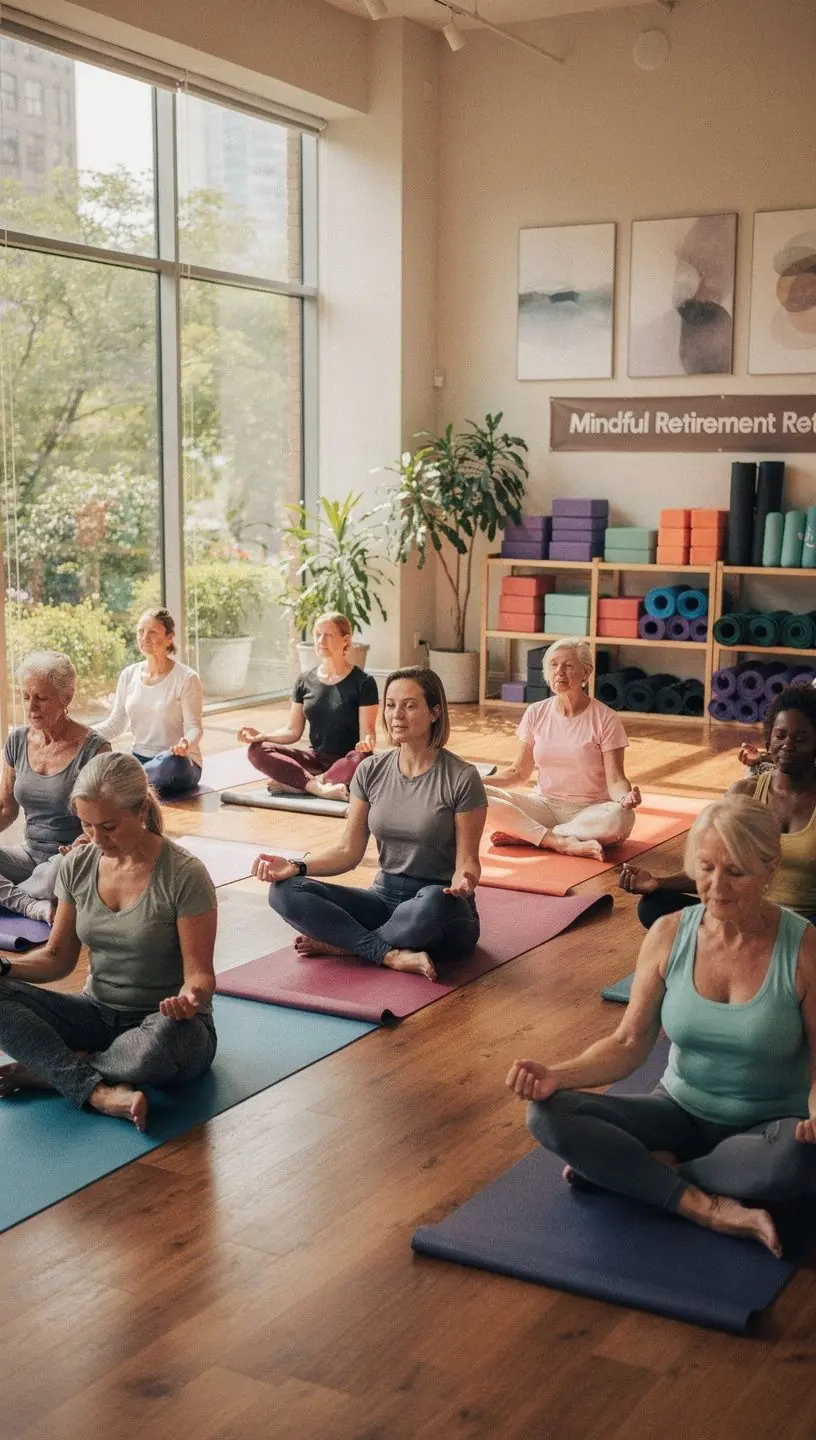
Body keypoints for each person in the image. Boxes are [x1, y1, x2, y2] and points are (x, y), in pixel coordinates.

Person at [508, 797, 816, 1257]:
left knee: (800, 1159)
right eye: (706, 868)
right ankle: (701, 1204)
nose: (716, 887)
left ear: (770, 869)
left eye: (736, 872)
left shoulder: (805, 949)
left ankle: (636, 1174)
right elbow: (628, 1043)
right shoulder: (669, 934)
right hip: (676, 1112)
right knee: (548, 1114)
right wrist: (558, 1075)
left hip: (767, 1130)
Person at [0, 753, 218, 1131]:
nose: (97, 839)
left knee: (169, 1041)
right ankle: (96, 1091)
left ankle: (54, 1071)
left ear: (141, 810)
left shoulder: (185, 874)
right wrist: (5, 967)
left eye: (110, 826)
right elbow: (56, 958)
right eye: (87, 825)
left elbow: (200, 976)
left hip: (165, 1024)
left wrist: (189, 1000)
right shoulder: (77, 865)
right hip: (96, 1015)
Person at [252, 666, 486, 982]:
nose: (396, 715)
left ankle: (348, 946)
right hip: (383, 898)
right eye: (390, 705)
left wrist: (465, 880)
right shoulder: (371, 770)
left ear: (435, 712)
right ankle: (385, 952)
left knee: (433, 904)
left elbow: (468, 860)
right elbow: (348, 851)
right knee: (283, 892)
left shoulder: (462, 777)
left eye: (410, 705)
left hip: (441, 907)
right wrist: (296, 867)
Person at [622, 686, 816, 925]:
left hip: (805, 925)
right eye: (780, 735)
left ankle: (771, 947)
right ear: (769, 737)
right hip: (746, 914)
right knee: (653, 906)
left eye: (801, 738)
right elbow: (715, 868)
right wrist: (659, 882)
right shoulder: (745, 792)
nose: (788, 745)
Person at [485, 637, 641, 860]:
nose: (560, 672)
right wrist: (473, 782)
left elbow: (616, 779)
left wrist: (625, 798)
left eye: (568, 666)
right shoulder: (535, 712)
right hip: (543, 806)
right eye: (554, 665)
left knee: (621, 818)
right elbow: (518, 773)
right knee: (474, 795)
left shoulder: (606, 718)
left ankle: (534, 835)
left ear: (586, 673)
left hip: (590, 811)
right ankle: (556, 841)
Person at [0, 651, 110, 924]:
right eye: (26, 697)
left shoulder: (95, 750)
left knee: (56, 873)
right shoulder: (16, 741)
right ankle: (30, 904)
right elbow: (5, 808)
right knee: (44, 877)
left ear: (66, 698)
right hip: (29, 855)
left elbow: (109, 822)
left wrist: (81, 845)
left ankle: (19, 896)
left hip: (73, 859)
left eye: (41, 698)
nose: (31, 707)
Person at [237, 612, 378, 802]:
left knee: (364, 757)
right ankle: (319, 787)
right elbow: (292, 731)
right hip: (316, 760)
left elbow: (367, 732)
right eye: (317, 634)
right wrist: (263, 736)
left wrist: (367, 742)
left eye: (328, 635)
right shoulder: (304, 681)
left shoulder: (363, 682)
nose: (321, 640)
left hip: (348, 761)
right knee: (257, 749)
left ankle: (301, 785)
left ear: (346, 640)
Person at [95, 608, 203, 796]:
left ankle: (126, 784)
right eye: (140, 631)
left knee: (169, 764)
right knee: (105, 758)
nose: (144, 638)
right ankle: (133, 783)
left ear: (170, 637)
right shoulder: (129, 675)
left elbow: (195, 727)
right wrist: (82, 734)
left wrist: (185, 745)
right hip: (139, 758)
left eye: (152, 632)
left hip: (177, 762)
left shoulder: (186, 678)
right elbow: (117, 723)